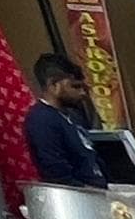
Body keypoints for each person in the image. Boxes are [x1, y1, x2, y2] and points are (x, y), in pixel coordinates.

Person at [25, 52, 108, 190]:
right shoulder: (42, 120)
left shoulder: (72, 116)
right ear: (54, 85)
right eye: (75, 87)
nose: (82, 93)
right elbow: (56, 173)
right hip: (80, 200)